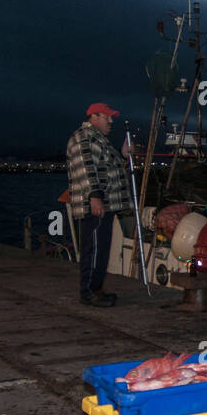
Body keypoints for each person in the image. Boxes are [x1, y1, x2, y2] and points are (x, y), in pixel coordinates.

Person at [67, 102, 133, 307]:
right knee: (93, 249)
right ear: (93, 117)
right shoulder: (84, 138)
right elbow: (86, 168)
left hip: (106, 205)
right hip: (94, 206)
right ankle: (88, 292)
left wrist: (123, 155)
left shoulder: (99, 140)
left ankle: (96, 289)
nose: (111, 121)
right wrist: (94, 196)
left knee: (101, 249)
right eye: (107, 117)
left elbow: (106, 168)